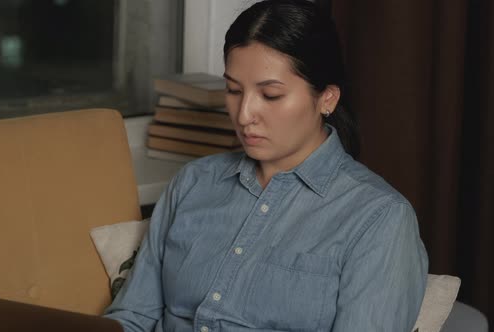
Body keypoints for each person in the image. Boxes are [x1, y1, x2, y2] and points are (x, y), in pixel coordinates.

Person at [104, 0, 428, 331]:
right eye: (233, 90)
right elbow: (133, 317)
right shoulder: (194, 182)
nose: (244, 115)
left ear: (327, 98)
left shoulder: (379, 219)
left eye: (270, 95)